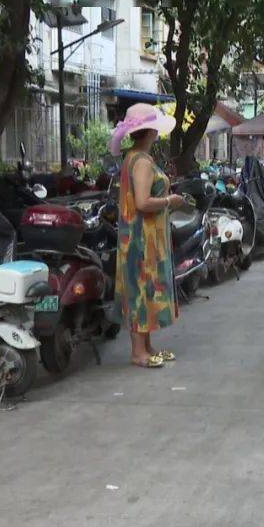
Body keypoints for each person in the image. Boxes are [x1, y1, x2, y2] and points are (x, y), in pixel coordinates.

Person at [110, 103, 185, 368]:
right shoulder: (140, 161)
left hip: (144, 237)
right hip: (142, 238)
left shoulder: (135, 157)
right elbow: (142, 202)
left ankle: (146, 345)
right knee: (141, 289)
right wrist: (169, 201)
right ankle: (138, 352)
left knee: (146, 287)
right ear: (150, 130)